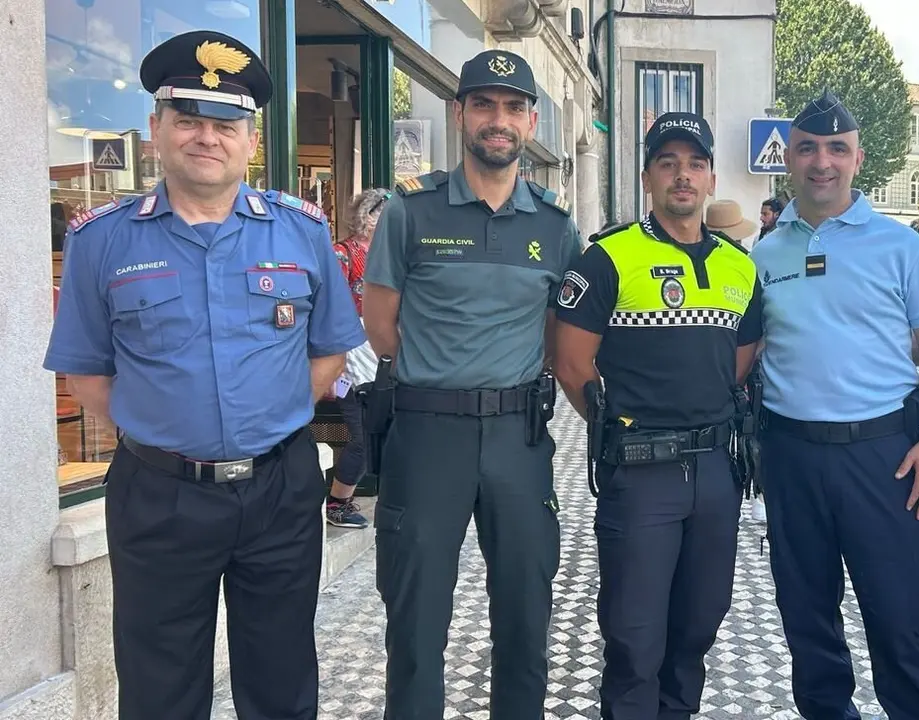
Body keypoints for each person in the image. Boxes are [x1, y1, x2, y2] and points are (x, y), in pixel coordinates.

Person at [42, 30, 366, 720]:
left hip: (279, 489)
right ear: (156, 130)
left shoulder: (301, 230)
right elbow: (90, 375)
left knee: (280, 681)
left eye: (225, 124)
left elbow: (330, 353)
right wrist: (168, 430)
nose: (206, 137)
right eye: (187, 119)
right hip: (158, 494)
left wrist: (265, 420)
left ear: (252, 141)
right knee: (160, 690)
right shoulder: (103, 239)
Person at [362, 48, 581, 720]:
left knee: (524, 615)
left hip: (518, 438)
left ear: (531, 121)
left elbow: (556, 332)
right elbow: (381, 327)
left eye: (513, 107)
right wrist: (450, 378)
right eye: (483, 104)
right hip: (428, 436)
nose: (498, 119)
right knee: (417, 623)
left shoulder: (554, 225)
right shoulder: (410, 212)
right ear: (459, 114)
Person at [750, 89, 919, 720]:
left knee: (899, 622)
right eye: (808, 148)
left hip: (883, 458)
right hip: (793, 459)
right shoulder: (762, 254)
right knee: (809, 626)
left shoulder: (901, 246)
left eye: (837, 148)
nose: (822, 162)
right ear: (790, 159)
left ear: (857, 158)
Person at [553, 111, 764, 720]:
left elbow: (739, 362)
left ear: (711, 177)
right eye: (668, 163)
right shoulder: (609, 258)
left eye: (695, 164)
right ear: (647, 176)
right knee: (634, 634)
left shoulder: (738, 266)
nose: (683, 176)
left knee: (700, 624)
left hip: (717, 472)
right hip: (642, 472)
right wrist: (624, 429)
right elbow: (571, 364)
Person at [325, 187, 391, 528]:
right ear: (367, 216)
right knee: (363, 437)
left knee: (385, 431)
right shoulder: (343, 254)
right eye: (384, 214)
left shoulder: (391, 256)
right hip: (351, 357)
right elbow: (331, 309)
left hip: (384, 355)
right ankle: (338, 502)